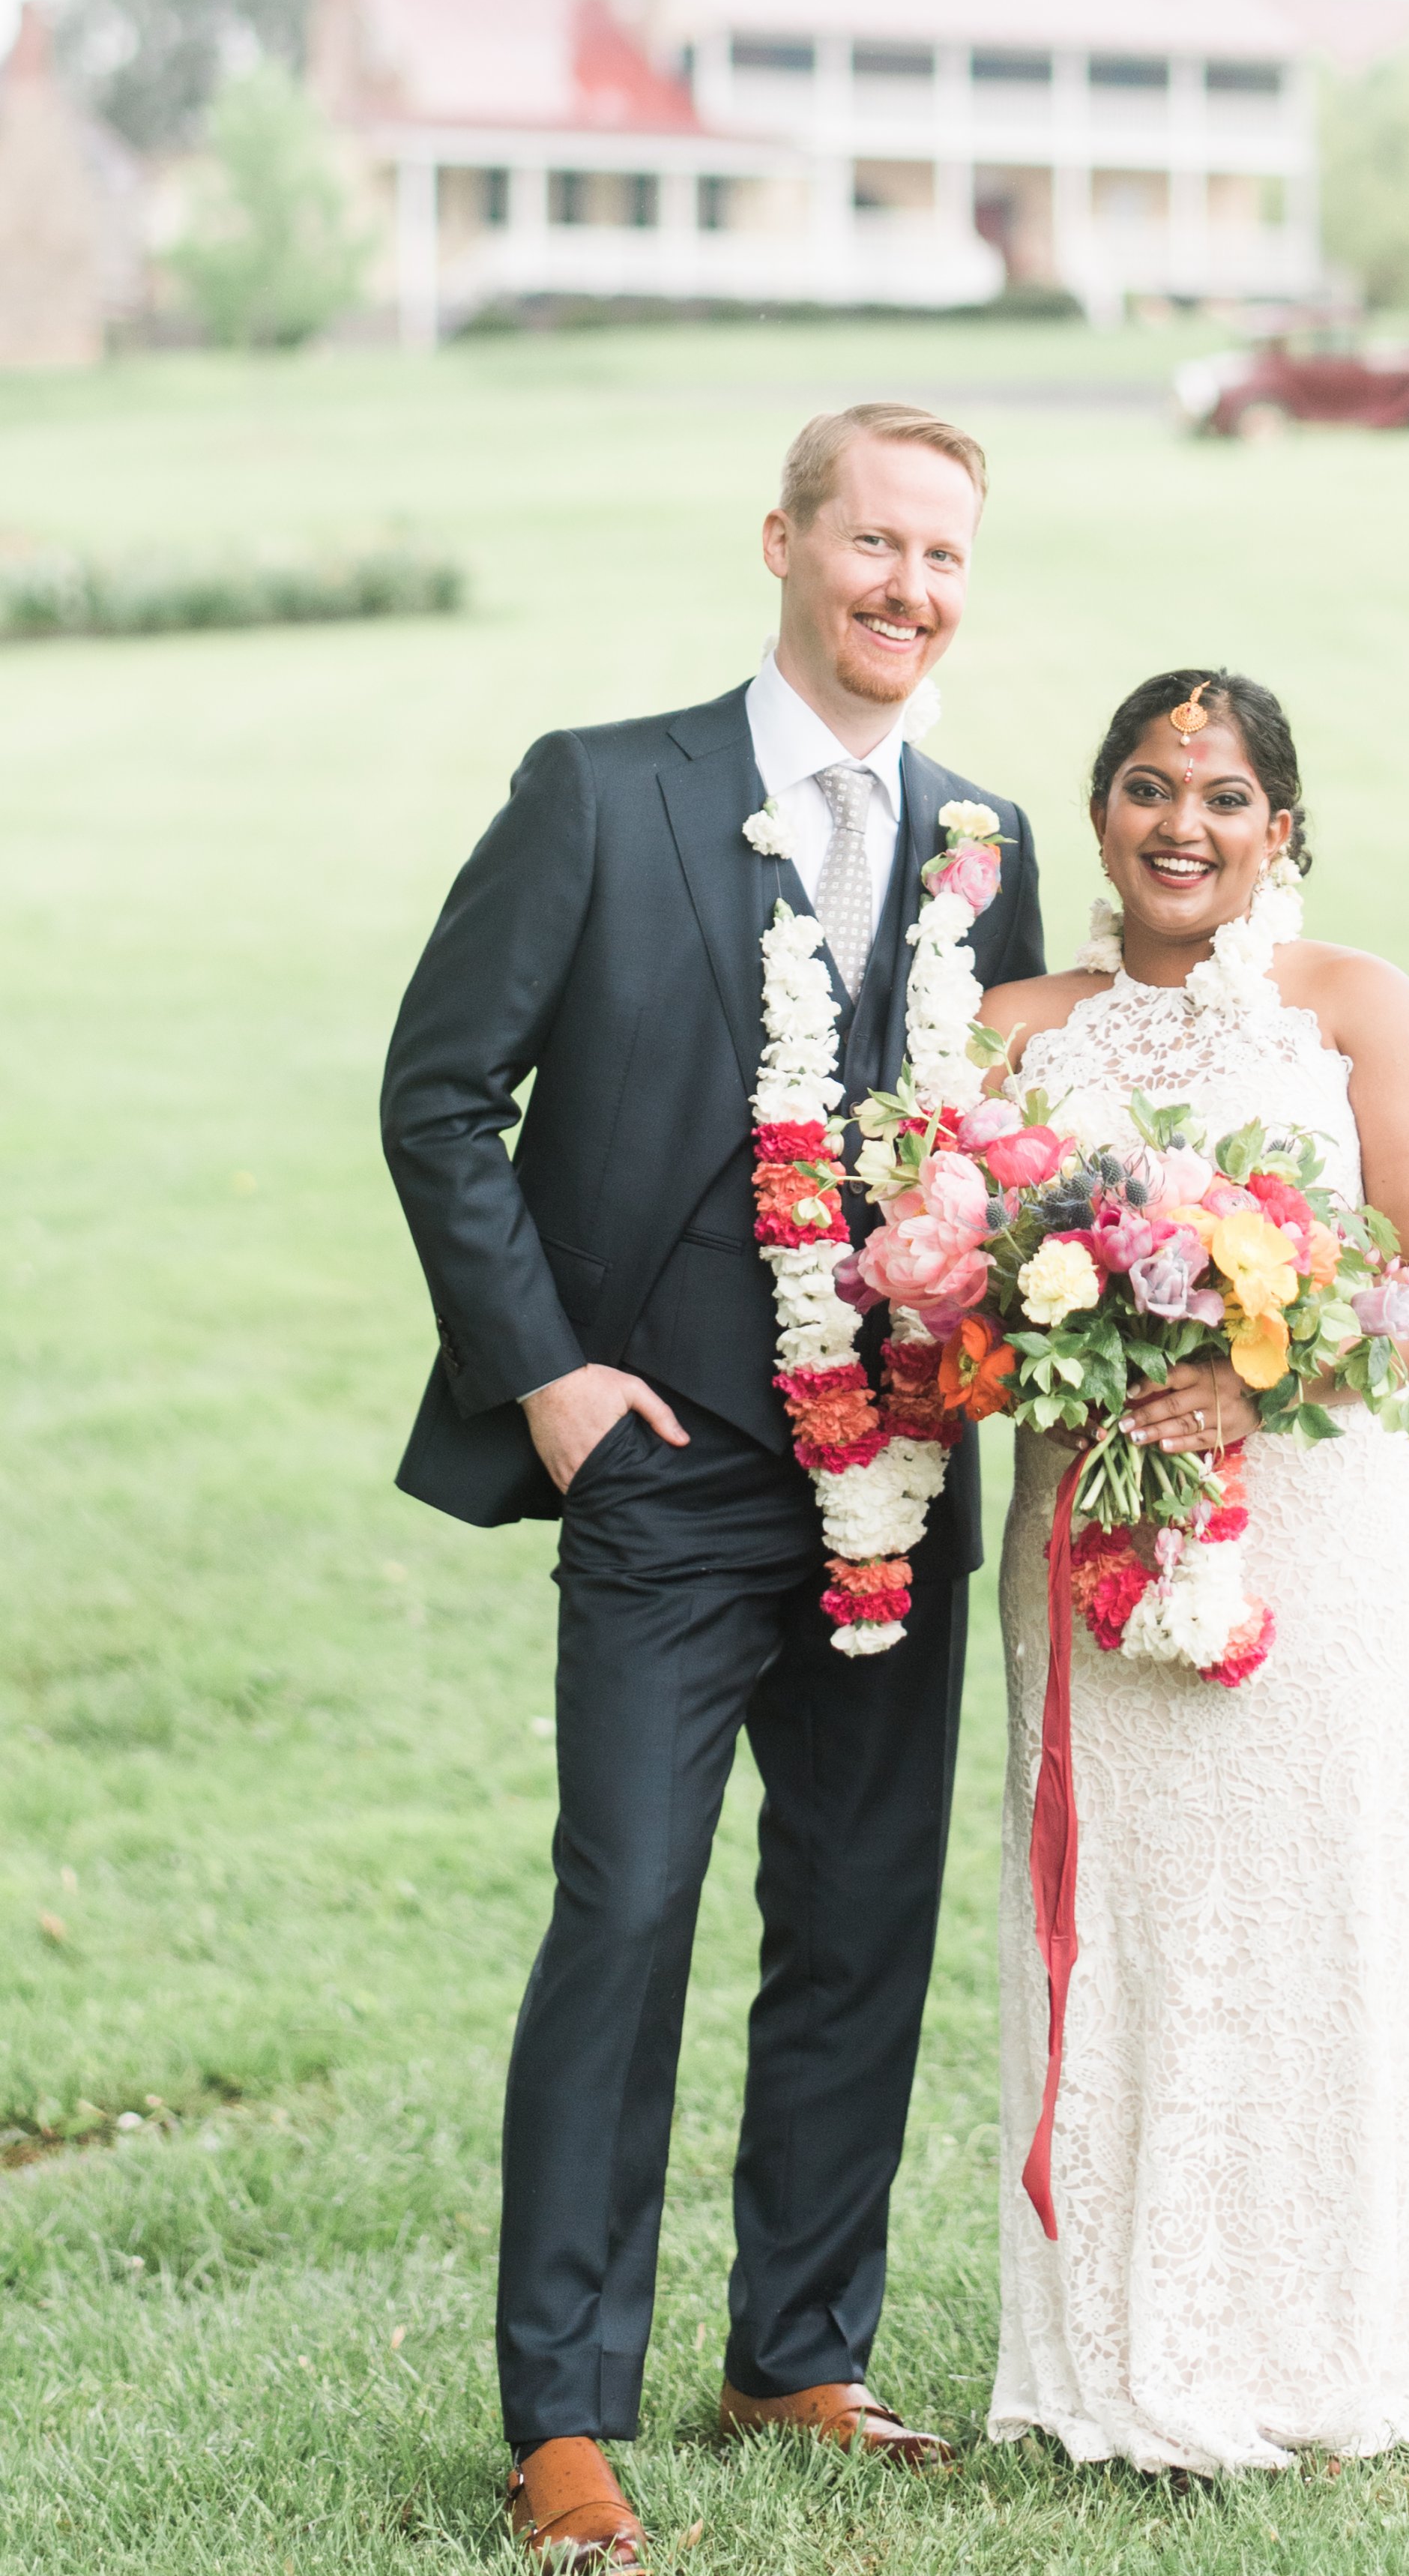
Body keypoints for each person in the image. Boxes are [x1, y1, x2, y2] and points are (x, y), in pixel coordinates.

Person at [380, 405, 1042, 2566]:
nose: (908, 592)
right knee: (627, 1916)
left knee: (855, 1931)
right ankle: (561, 2416)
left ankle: (796, 2353)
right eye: (874, 543)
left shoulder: (982, 838)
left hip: (894, 1487)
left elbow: (999, 1162)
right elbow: (441, 1094)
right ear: (782, 541)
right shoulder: (602, 786)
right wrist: (549, 1378)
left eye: (944, 559)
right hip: (660, 1473)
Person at [977, 668, 1409, 2478]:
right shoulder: (1016, 1026)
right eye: (1144, 785)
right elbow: (949, 1263)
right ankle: (1116, 2345)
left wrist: (1261, 1367)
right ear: (1100, 809)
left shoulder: (1353, 1006)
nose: (1181, 823)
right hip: (1090, 1524)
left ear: (1283, 826)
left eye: (1224, 794)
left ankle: (1318, 2330)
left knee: (1318, 1902)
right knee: (1132, 1914)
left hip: (1331, 1525)